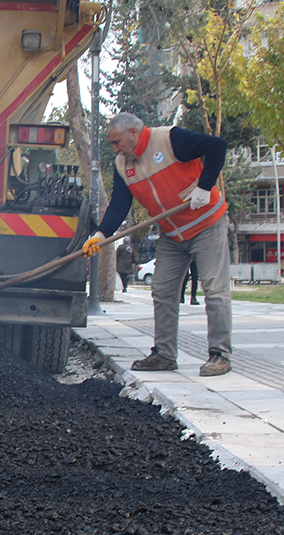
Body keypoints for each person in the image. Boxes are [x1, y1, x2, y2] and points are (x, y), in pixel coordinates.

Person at [82, 112, 232, 377]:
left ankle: (219, 355)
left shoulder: (170, 139)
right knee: (162, 291)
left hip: (206, 224)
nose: (115, 149)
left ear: (133, 133)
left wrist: (205, 186)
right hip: (172, 234)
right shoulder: (122, 164)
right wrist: (101, 235)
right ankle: (164, 354)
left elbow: (217, 146)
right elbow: (119, 204)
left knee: (214, 290)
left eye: (117, 142)